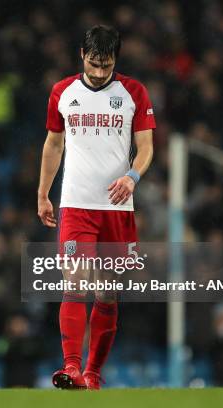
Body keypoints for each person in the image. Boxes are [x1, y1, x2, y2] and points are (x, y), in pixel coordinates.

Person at [37, 25, 155, 390]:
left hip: (117, 208)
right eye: (93, 63)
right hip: (76, 203)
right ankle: (70, 367)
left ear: (115, 59)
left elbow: (147, 147)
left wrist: (133, 176)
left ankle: (92, 374)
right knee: (75, 283)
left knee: (107, 292)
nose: (99, 72)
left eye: (106, 65)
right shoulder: (63, 91)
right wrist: (43, 193)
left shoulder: (134, 92)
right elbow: (53, 145)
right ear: (82, 55)